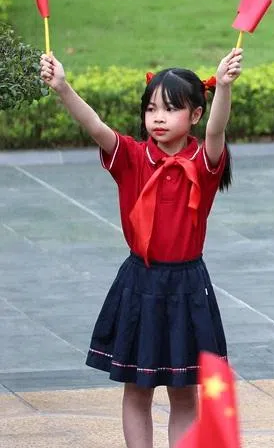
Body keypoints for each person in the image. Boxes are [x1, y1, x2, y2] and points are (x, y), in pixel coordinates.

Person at [39, 48, 242, 448]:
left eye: (169, 109)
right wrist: (62, 88)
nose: (158, 118)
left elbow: (217, 132)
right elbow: (96, 126)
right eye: (151, 110)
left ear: (195, 116)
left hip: (186, 287)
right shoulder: (131, 157)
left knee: (185, 392)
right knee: (136, 389)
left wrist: (226, 87)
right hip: (139, 283)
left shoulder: (203, 162)